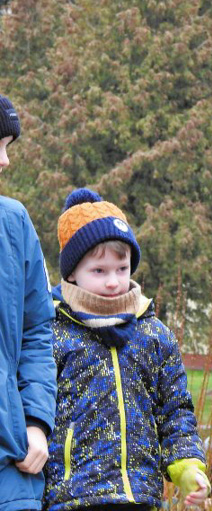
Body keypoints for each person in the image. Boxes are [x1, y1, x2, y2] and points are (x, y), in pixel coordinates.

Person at [43, 188, 210, 510]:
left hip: (141, 496)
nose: (113, 282)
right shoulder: (52, 332)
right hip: (72, 497)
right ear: (71, 273)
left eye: (122, 269)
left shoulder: (154, 335)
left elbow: (175, 410)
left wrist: (188, 466)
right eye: (99, 271)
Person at [0, 95, 57, 510]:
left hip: (12, 471)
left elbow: (38, 329)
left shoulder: (14, 222)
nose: (5, 161)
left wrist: (36, 423)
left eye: (8, 146)